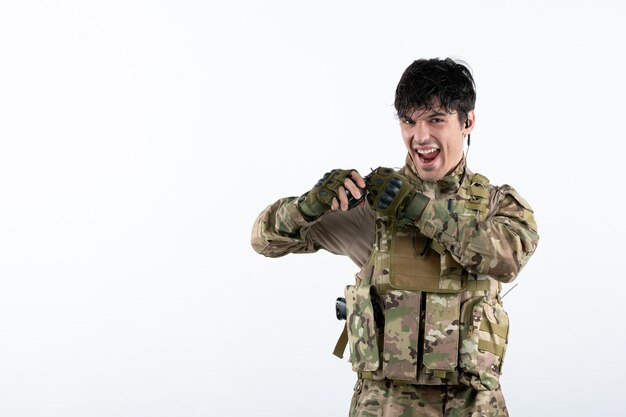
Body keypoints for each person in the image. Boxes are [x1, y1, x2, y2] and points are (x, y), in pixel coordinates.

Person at [251, 58, 539, 416]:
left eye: (436, 119)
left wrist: (418, 209)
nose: (420, 137)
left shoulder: (497, 204)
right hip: (384, 406)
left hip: (471, 406)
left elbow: (507, 258)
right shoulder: (372, 204)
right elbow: (264, 240)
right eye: (408, 121)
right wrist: (307, 206)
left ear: (468, 122)